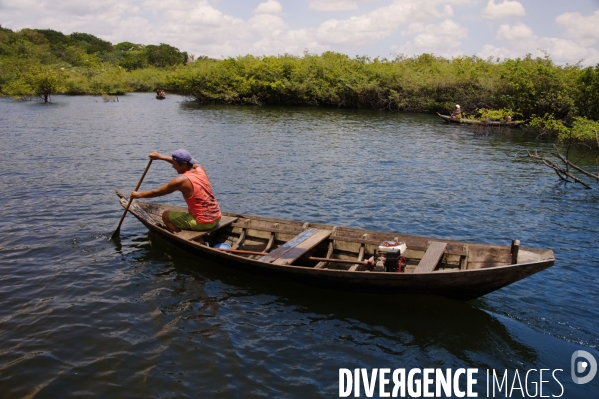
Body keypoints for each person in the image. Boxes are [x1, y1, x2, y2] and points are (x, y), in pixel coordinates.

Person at [130, 150, 221, 234]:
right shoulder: (200, 169)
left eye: (175, 164)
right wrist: (160, 156)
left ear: (184, 164)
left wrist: (139, 195)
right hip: (217, 218)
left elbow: (157, 192)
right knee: (190, 209)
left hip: (203, 223)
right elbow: (184, 162)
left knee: (166, 216)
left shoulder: (180, 181)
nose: (173, 166)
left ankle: (190, 238)